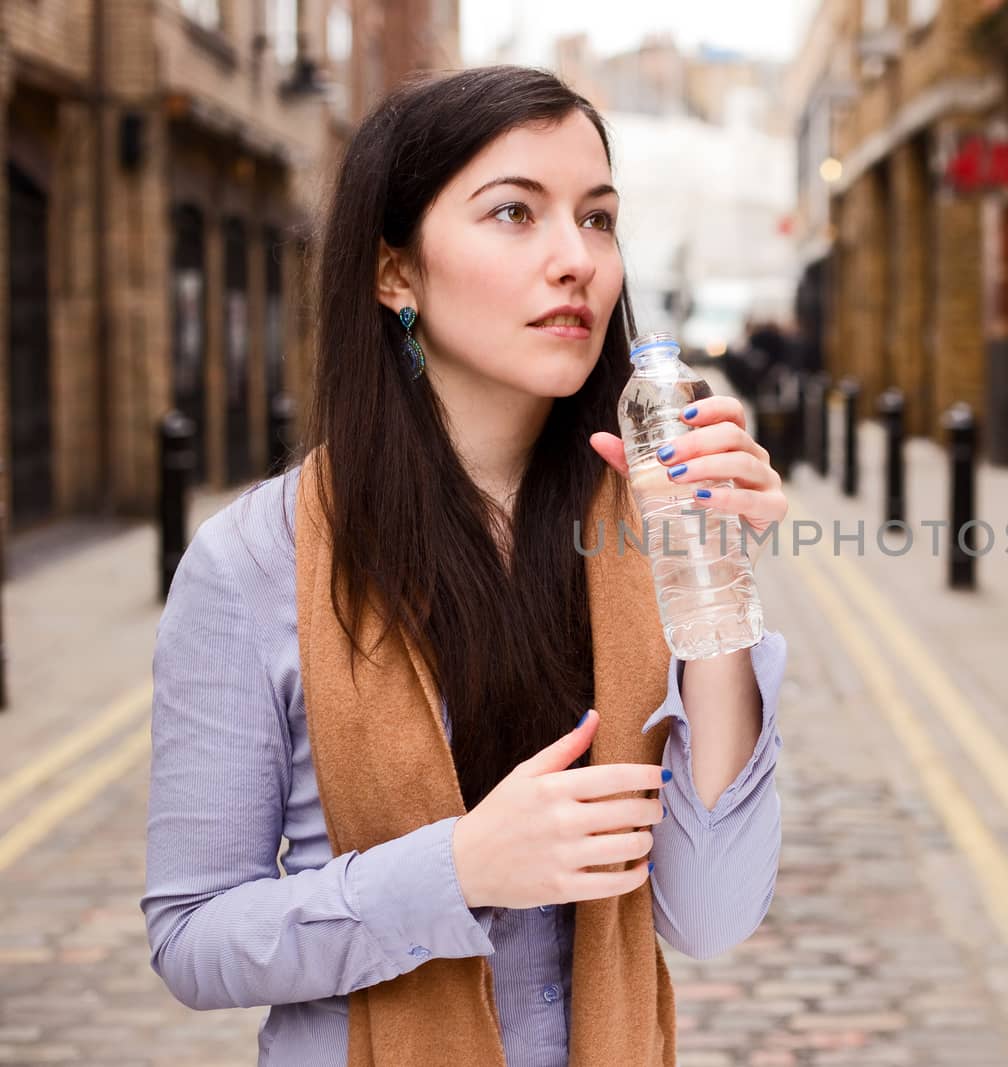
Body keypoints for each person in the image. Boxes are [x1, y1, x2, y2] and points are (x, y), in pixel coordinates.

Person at [141, 67, 789, 1066]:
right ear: (393, 271)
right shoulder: (255, 560)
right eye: (514, 213)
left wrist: (712, 581)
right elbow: (191, 937)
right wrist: (459, 867)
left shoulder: (646, 528)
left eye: (598, 217)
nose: (575, 258)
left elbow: (707, 913)